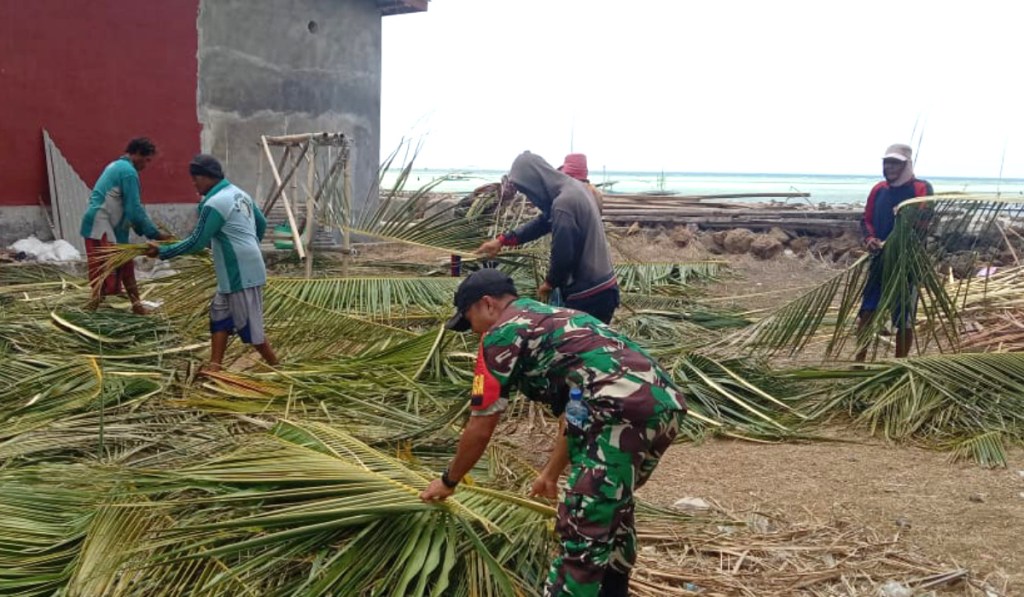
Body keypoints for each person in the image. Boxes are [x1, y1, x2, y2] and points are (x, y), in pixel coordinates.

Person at [419, 269, 687, 597]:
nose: (474, 332)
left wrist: (448, 481)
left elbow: (481, 423)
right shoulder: (554, 318)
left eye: (470, 320)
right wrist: (550, 473)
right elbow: (573, 412)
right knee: (611, 509)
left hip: (616, 411)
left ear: (487, 304)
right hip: (663, 405)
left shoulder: (501, 335)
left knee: (581, 532)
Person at [145, 154, 277, 372]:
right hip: (236, 270)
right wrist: (250, 244)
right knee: (219, 316)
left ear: (207, 177)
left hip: (240, 272)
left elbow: (197, 242)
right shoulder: (237, 193)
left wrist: (163, 252)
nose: (194, 183)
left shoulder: (214, 203)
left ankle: (278, 366)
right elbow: (260, 222)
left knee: (250, 328)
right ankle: (215, 366)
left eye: (195, 178)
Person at [477, 152, 619, 323]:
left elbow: (563, 253)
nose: (530, 197)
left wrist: (550, 283)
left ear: (535, 182)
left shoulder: (563, 203)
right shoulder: (574, 188)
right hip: (604, 289)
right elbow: (542, 223)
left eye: (528, 191)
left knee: (579, 348)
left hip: (589, 296)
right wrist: (502, 241)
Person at [856, 143, 934, 360]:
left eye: (895, 163)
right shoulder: (878, 189)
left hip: (906, 264)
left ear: (906, 165)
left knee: (904, 317)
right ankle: (859, 361)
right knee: (868, 311)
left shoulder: (920, 188)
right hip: (879, 259)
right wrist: (870, 239)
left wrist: (904, 217)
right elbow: (866, 219)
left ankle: (899, 364)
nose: (889, 167)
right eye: (887, 162)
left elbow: (925, 218)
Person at [80, 137, 171, 314]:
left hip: (97, 223)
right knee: (109, 268)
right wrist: (155, 234)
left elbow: (127, 209)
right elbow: (134, 209)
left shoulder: (116, 165)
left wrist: (139, 228)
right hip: (105, 225)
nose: (146, 165)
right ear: (137, 153)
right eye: (146, 160)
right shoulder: (129, 172)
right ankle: (93, 306)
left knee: (118, 264)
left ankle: (135, 305)